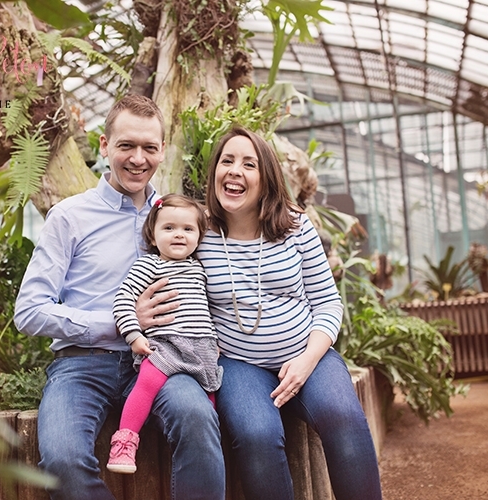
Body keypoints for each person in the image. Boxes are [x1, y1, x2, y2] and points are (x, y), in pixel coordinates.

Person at [138, 127, 382, 500]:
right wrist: (139, 312)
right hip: (238, 365)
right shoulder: (198, 232)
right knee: (257, 435)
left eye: (248, 164)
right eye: (227, 161)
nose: (235, 170)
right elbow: (161, 272)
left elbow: (329, 304)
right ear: (214, 173)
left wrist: (305, 362)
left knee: (342, 417)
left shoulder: (296, 227)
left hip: (307, 355)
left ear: (265, 177)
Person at [14, 94, 225, 500]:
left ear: (162, 150)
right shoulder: (70, 217)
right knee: (61, 459)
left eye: (149, 147)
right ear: (104, 145)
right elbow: (29, 311)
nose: (138, 158)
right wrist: (120, 323)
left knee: (197, 418)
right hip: (81, 365)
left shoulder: (176, 218)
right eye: (126, 145)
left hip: (162, 360)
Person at [107, 193, 223, 474]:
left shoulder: (199, 269)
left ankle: (210, 458)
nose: (178, 235)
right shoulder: (149, 265)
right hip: (165, 345)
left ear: (199, 235)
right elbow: (123, 300)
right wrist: (134, 335)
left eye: (188, 229)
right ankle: (124, 443)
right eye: (168, 228)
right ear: (153, 233)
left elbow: (207, 308)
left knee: (208, 405)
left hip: (203, 349)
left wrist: (215, 340)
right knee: (146, 384)